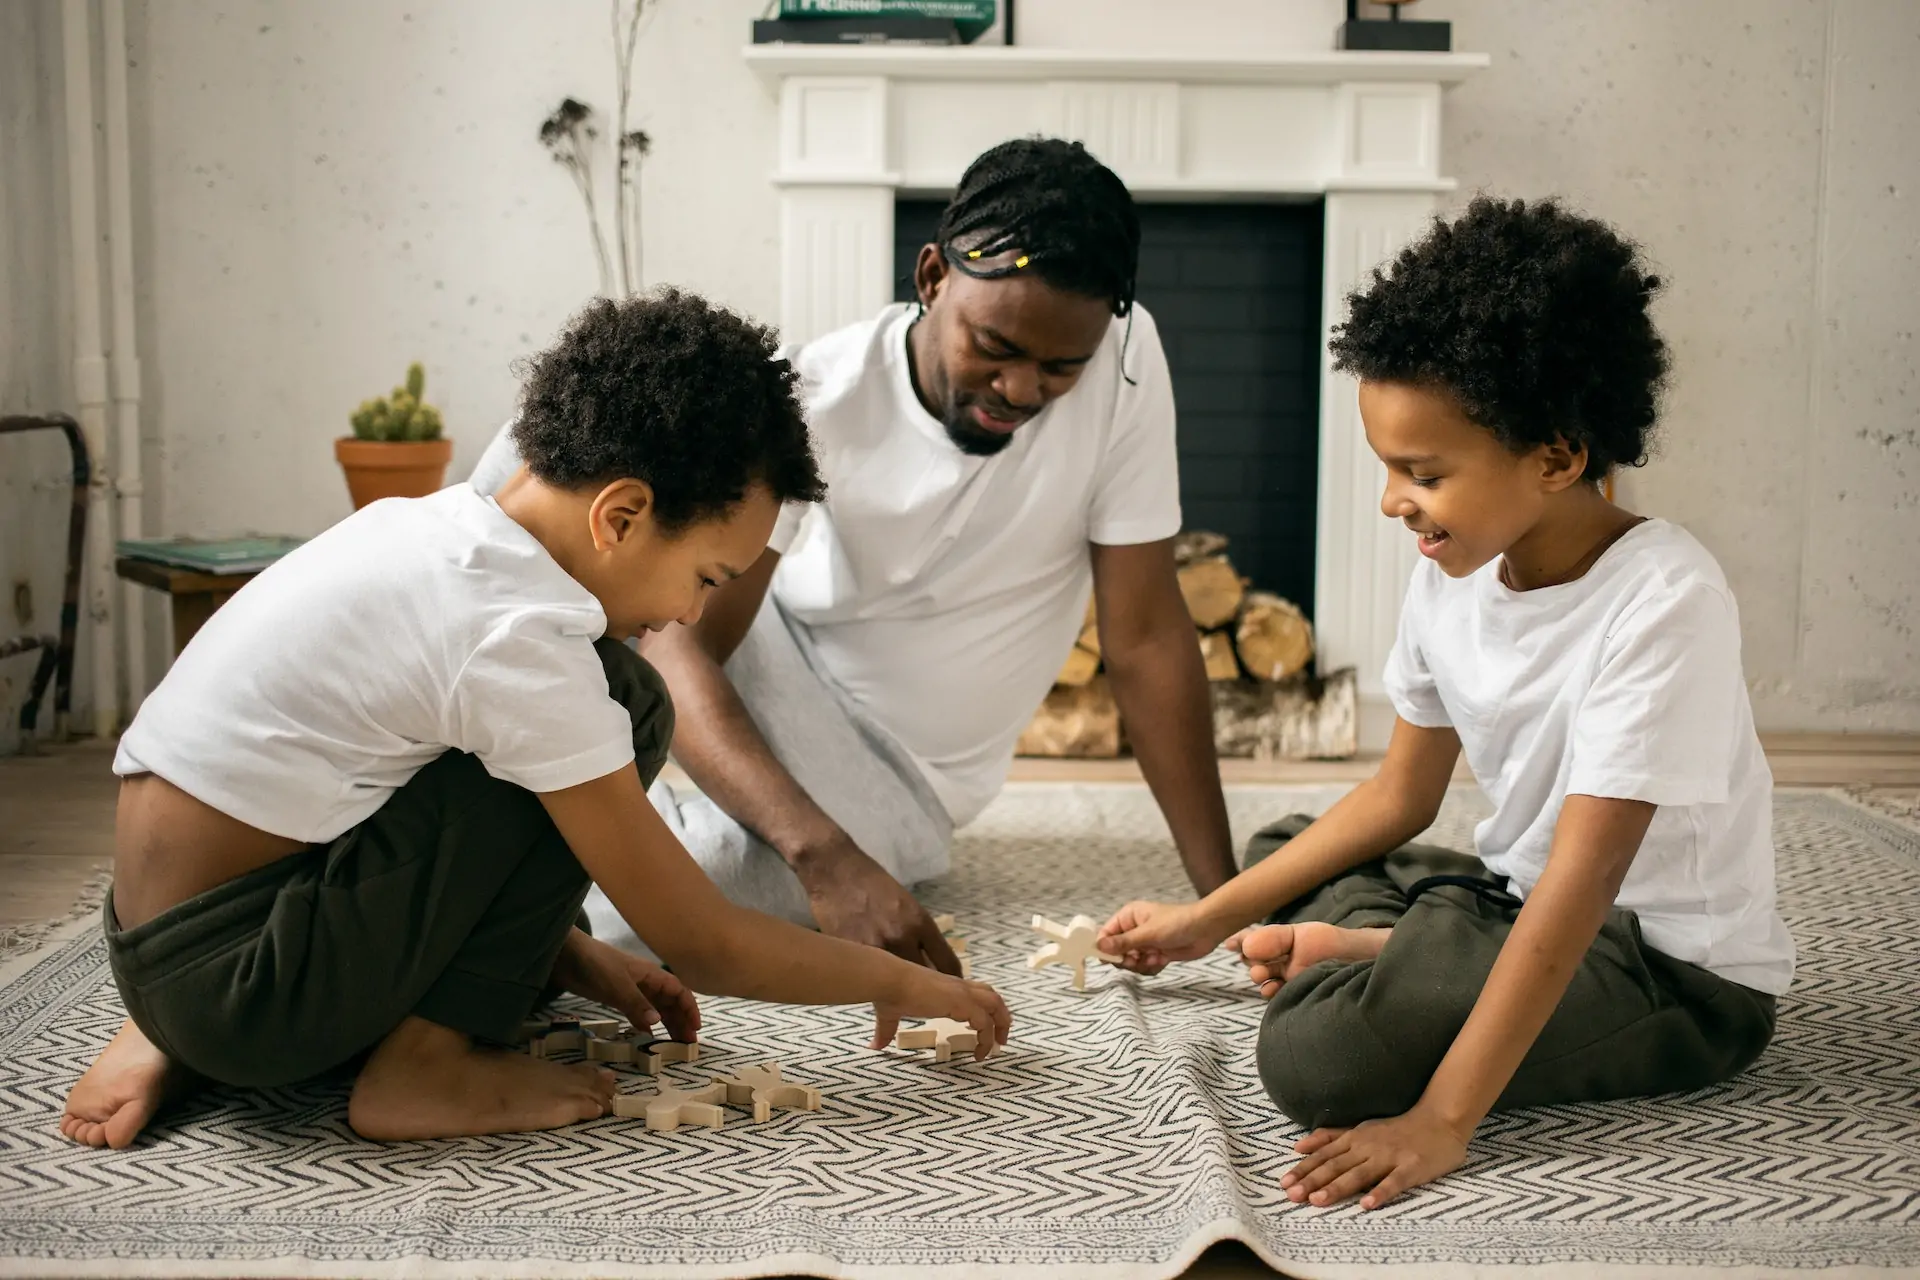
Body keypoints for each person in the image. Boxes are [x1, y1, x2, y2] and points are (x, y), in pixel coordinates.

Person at [60, 289, 1010, 1151]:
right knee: (628, 707)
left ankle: (190, 1036)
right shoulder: (515, 640)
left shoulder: (442, 533)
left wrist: (564, 948)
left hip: (164, 942)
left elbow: (352, 799)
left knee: (574, 723)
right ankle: (420, 1068)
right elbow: (705, 942)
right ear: (622, 515)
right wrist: (909, 985)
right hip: (239, 985)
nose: (689, 614)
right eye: (707, 577)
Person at [1096, 197, 1794, 1210]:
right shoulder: (1457, 567)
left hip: (1662, 967)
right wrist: (1205, 921)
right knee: (1286, 839)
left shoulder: (1665, 601)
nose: (1392, 501)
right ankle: (1398, 944)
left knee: (1316, 1058)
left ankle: (1388, 948)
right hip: (1520, 898)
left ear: (1555, 456)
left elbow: (1583, 883)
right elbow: (1397, 796)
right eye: (1388, 468)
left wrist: (1441, 1122)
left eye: (1422, 473)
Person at [470, 137, 1240, 969]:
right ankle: (458, 757)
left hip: (904, 777)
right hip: (779, 651)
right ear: (933, 277)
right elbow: (684, 639)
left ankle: (508, 866)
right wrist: (820, 852)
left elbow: (1147, 639)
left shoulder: (1125, 365)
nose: (1023, 390)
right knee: (541, 449)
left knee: (655, 912)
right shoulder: (820, 396)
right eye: (995, 347)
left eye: (1061, 368)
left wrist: (1227, 899)